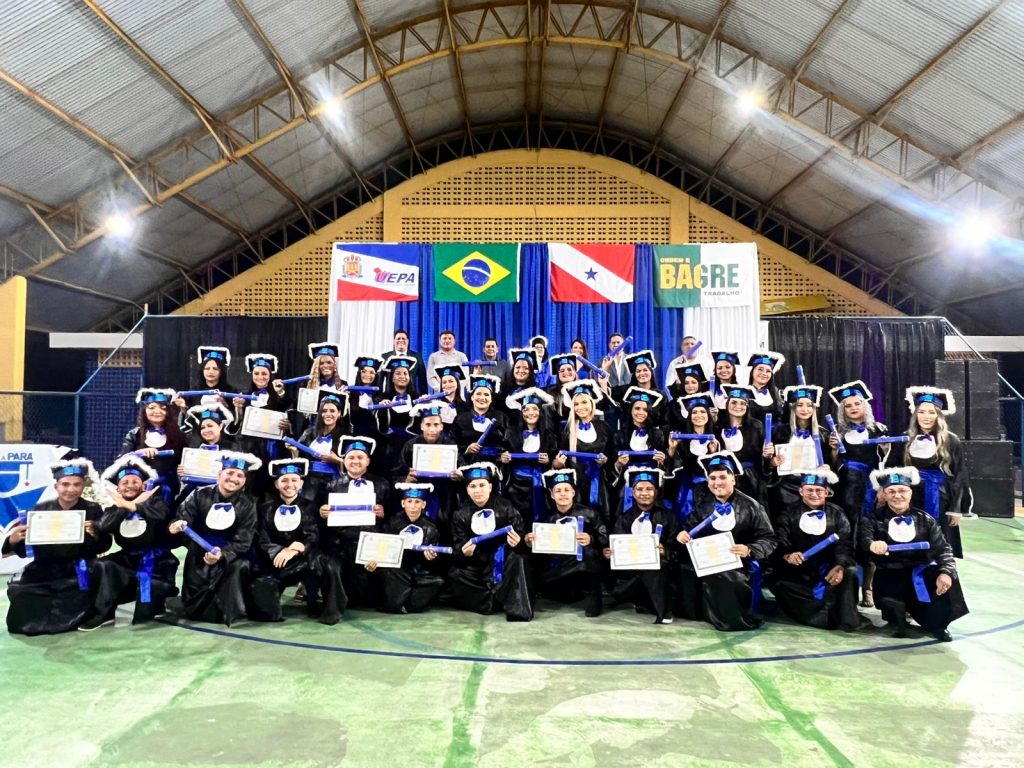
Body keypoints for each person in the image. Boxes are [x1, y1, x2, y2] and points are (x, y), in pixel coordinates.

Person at [4, 459, 112, 635]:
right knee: (20, 590)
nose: (71, 489)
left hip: (78, 567)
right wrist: (13, 540)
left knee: (81, 589)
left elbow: (104, 545)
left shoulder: (93, 509)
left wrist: (95, 535)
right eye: (65, 484)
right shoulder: (39, 510)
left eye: (76, 484)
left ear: (83, 486)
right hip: (44, 567)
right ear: (56, 486)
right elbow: (25, 550)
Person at [860, 466, 968, 641]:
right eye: (891, 491)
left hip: (920, 575)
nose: (897, 496)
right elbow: (864, 541)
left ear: (910, 493)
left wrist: (946, 573)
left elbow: (943, 550)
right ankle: (896, 617)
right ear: (884, 494)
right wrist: (872, 545)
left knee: (944, 576)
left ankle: (938, 624)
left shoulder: (926, 520)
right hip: (890, 575)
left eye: (902, 491)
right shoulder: (872, 519)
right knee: (894, 613)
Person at [675, 451, 777, 631]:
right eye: (713, 478)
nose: (717, 482)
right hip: (708, 559)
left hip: (740, 563)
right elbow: (689, 528)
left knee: (727, 576)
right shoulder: (703, 505)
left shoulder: (752, 506)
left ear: (733, 479)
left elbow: (769, 539)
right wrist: (682, 534)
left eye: (723, 477)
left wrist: (749, 549)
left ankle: (731, 620)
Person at [169, 451, 261, 626]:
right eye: (230, 473)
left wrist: (223, 553)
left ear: (244, 481)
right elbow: (182, 519)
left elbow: (244, 539)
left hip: (231, 554)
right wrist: (174, 526)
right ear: (219, 474)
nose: (234, 479)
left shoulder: (249, 504)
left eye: (240, 476)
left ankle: (228, 611)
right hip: (199, 552)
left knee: (240, 567)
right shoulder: (198, 494)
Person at [247, 459, 343, 625]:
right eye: (284, 480)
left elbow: (313, 536)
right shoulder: (264, 509)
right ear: (276, 484)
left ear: (301, 483)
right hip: (276, 563)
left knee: (325, 564)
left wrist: (299, 548)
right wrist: (280, 550)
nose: (289, 484)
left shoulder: (311, 507)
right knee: (265, 610)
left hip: (305, 561)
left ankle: (324, 607)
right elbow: (261, 539)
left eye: (294, 480)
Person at [93, 455, 179, 627]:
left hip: (157, 560)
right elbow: (103, 526)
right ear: (118, 488)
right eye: (125, 482)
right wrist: (124, 507)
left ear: (144, 485)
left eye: (135, 481)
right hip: (127, 559)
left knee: (145, 615)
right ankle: (105, 613)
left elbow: (161, 515)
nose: (130, 485)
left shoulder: (157, 503)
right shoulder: (114, 508)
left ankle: (157, 605)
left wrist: (134, 506)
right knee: (103, 566)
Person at [769, 469, 860, 632]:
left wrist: (839, 565)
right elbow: (780, 539)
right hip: (798, 571)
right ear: (801, 491)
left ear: (826, 492)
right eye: (809, 490)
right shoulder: (787, 513)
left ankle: (844, 619)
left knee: (850, 572)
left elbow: (845, 544)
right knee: (778, 583)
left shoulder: (838, 513)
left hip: (828, 569)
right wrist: (788, 554)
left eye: (819, 490)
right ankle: (818, 617)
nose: (814, 494)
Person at [826, 380, 889, 608]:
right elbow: (832, 464)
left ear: (865, 406)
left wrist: (885, 451)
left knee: (868, 534)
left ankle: (868, 587)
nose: (853, 408)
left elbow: (887, 463)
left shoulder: (879, 429)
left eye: (857, 404)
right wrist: (833, 450)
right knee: (845, 534)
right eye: (848, 405)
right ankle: (845, 585)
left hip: (869, 489)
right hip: (844, 489)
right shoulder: (837, 432)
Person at [448, 462, 532, 621]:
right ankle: (492, 602)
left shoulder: (506, 507)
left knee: (519, 560)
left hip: (503, 560)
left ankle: (517, 609)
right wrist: (463, 552)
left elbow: (520, 537)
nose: (477, 490)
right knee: (456, 574)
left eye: (482, 485)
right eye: (473, 486)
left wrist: (519, 542)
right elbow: (458, 548)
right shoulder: (460, 514)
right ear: (467, 490)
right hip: (477, 563)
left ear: (490, 487)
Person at [316, 436, 390, 611]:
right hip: (340, 544)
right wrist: (321, 512)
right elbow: (319, 518)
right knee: (332, 566)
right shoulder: (331, 485)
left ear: (368, 461)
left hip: (370, 544)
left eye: (360, 457)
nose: (355, 461)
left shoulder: (382, 484)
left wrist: (384, 512)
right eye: (351, 457)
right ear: (344, 460)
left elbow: (394, 515)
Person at [525, 468, 607, 617]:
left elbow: (604, 537)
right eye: (558, 491)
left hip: (582, 567)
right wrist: (530, 543)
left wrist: (591, 538)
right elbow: (540, 553)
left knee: (589, 552)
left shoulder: (590, 513)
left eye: (566, 490)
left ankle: (595, 601)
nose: (563, 494)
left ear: (573, 492)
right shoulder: (546, 521)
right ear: (552, 495)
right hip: (558, 569)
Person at [902, 386, 970, 559]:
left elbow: (960, 475)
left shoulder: (951, 440)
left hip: (940, 498)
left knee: (940, 543)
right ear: (915, 414)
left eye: (931, 412)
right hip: (911, 497)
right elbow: (895, 468)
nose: (926, 416)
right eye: (921, 412)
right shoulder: (905, 439)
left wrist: (955, 509)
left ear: (939, 415)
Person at [607, 467, 676, 624]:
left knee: (659, 567)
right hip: (631, 568)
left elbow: (677, 547)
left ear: (656, 492)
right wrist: (611, 553)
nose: (644, 493)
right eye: (639, 489)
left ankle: (664, 610)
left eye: (649, 489)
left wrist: (666, 551)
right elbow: (618, 543)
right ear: (632, 492)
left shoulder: (668, 517)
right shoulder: (624, 518)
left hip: (660, 570)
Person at [369, 483, 446, 614]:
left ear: (423, 505)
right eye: (409, 501)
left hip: (418, 570)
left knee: (437, 582)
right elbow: (383, 546)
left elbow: (433, 560)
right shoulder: (392, 522)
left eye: (417, 502)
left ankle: (409, 605)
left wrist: (431, 557)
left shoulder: (431, 528)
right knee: (389, 581)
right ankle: (396, 603)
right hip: (396, 569)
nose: (413, 506)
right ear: (403, 503)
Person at [232, 353, 293, 500]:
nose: (260, 377)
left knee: (272, 488)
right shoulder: (244, 397)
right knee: (251, 488)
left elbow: (290, 418)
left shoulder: (281, 396)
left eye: (264, 373)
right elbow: (237, 426)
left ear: (270, 376)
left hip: (273, 448)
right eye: (256, 373)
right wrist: (238, 409)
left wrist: (287, 425)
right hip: (250, 447)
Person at [765, 384, 830, 517]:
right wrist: (772, 462)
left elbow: (830, 463)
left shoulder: (823, 434)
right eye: (800, 405)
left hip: (812, 486)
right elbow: (767, 464)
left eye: (809, 405)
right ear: (793, 407)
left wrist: (828, 466)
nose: (804, 409)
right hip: (784, 486)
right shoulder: (780, 431)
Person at [552, 380, 614, 521]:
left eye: (584, 402)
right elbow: (557, 461)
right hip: (576, 485)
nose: (580, 407)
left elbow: (612, 456)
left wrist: (606, 460)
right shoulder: (567, 430)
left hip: (600, 484)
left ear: (592, 403)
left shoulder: (605, 428)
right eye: (576, 404)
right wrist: (558, 463)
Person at [121, 388, 187, 509]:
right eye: (152, 407)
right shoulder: (134, 434)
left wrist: (184, 468)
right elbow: (121, 460)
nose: (157, 411)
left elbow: (185, 458)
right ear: (144, 411)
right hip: (140, 486)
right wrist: (138, 453)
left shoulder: (178, 434)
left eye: (163, 408)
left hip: (169, 487)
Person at [499, 387, 557, 523]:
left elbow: (555, 459)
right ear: (521, 413)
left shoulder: (549, 436)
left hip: (541, 483)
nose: (531, 413)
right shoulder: (510, 433)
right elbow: (502, 454)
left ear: (540, 412)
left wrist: (549, 461)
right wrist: (503, 458)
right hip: (516, 484)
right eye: (526, 409)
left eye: (535, 409)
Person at [664, 392, 720, 522]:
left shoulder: (716, 436)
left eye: (703, 412)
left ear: (708, 415)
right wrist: (672, 448)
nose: (698, 415)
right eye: (694, 412)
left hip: (711, 487)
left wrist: (713, 453)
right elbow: (671, 469)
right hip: (686, 488)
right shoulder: (681, 438)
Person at [290, 391, 346, 503]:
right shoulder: (309, 432)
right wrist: (294, 451)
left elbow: (353, 464)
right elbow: (298, 457)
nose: (328, 414)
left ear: (339, 413)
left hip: (334, 481)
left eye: (332, 411)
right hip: (309, 481)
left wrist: (337, 460)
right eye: (324, 411)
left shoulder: (346, 435)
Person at [451, 374, 508, 464]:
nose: (482, 398)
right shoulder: (460, 419)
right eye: (478, 394)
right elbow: (452, 444)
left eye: (486, 395)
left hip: (496, 465)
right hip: (467, 465)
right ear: (472, 397)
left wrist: (503, 456)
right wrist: (467, 449)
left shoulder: (501, 417)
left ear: (491, 399)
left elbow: (509, 444)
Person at [612, 351, 667, 427]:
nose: (642, 373)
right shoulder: (625, 391)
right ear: (634, 374)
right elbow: (606, 395)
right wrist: (605, 370)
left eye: (645, 370)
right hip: (628, 433)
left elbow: (665, 421)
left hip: (652, 433)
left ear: (651, 372)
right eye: (638, 371)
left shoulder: (660, 395)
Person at [172, 346, 233, 411]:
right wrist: (183, 407)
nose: (211, 372)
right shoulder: (194, 391)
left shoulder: (230, 391)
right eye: (207, 368)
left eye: (215, 369)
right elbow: (188, 413)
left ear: (221, 372)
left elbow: (236, 415)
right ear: (202, 371)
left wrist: (225, 405)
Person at [382, 329, 427, 394]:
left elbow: (422, 379)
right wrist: (379, 397)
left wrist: (424, 395)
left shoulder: (417, 357)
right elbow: (380, 379)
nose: (401, 340)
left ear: (408, 341)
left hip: (411, 395)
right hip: (389, 396)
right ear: (394, 341)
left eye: (403, 338)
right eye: (398, 338)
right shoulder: (385, 357)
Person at [745, 351, 785, 425]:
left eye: (768, 371)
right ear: (752, 371)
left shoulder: (777, 395)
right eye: (760, 369)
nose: (764, 373)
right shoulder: (744, 392)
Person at [501, 347, 540, 415]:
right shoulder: (504, 390)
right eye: (518, 367)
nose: (521, 371)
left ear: (530, 371)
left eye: (525, 368)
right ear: (513, 369)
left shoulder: (536, 392)